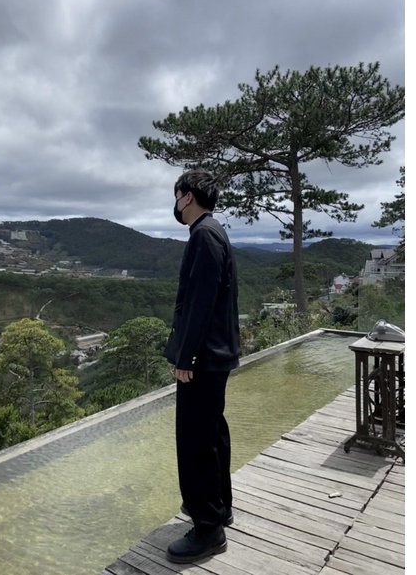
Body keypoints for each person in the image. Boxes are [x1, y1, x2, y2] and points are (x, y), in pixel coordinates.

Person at [164, 168, 241, 564]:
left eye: (176, 196)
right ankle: (219, 507)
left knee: (195, 440)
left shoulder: (204, 236)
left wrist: (186, 357)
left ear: (188, 197)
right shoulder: (212, 231)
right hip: (214, 354)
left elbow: (199, 302)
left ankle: (208, 528)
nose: (175, 204)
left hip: (204, 357)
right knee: (211, 433)